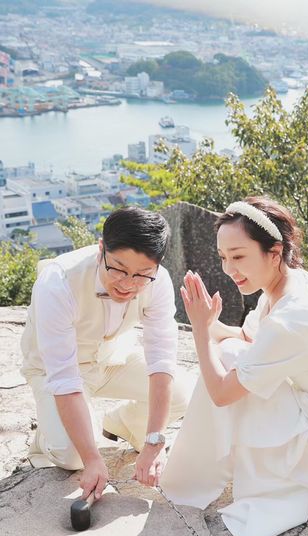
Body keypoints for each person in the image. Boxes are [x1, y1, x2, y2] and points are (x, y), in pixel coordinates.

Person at [161, 196, 308, 536]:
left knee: (229, 359)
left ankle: (198, 477)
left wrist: (199, 330)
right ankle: (199, 471)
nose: (229, 269)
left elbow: (222, 393)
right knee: (231, 352)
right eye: (223, 257)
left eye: (238, 256)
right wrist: (209, 323)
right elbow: (250, 338)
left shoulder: (294, 316)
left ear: (274, 252)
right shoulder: (289, 283)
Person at [21, 207, 192, 501]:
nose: (128, 284)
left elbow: (161, 359)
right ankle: (46, 437)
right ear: (101, 249)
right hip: (55, 371)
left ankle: (124, 424)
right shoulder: (58, 282)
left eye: (142, 275)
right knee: (73, 455)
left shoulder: (158, 281)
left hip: (112, 359)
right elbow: (64, 379)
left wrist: (154, 442)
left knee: (183, 394)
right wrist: (92, 459)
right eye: (118, 269)